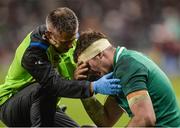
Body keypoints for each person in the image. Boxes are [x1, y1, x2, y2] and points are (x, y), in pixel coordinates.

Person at [0, 8, 122, 127]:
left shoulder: (74, 43)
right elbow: (53, 84)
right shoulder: (33, 51)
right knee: (46, 87)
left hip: (44, 108)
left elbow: (93, 71)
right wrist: (92, 87)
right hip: (11, 106)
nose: (70, 46)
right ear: (49, 35)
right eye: (65, 42)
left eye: (73, 39)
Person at [73, 30, 180, 127]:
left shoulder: (127, 66)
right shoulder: (121, 67)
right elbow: (106, 121)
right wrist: (84, 87)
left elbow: (145, 118)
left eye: (87, 66)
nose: (88, 72)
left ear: (100, 55)